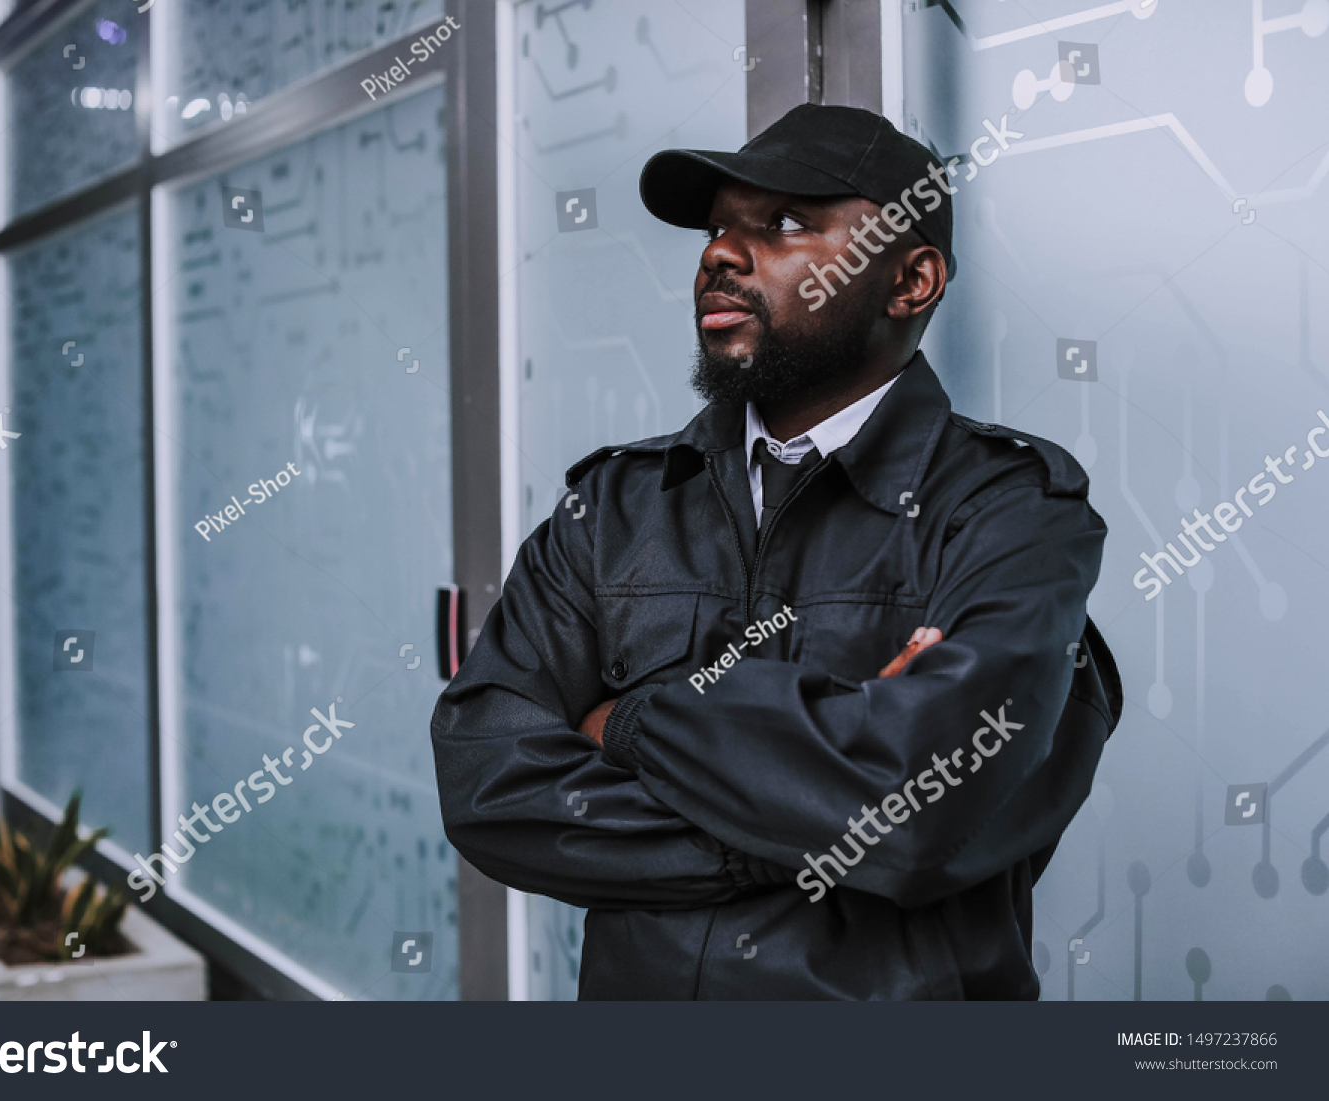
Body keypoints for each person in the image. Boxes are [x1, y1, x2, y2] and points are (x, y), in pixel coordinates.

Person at [431, 105, 1122, 999]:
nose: (720, 252)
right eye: (720, 225)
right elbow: (489, 780)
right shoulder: (614, 506)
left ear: (910, 281)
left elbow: (926, 806)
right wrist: (810, 816)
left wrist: (629, 722)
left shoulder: (1008, 507)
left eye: (787, 224)